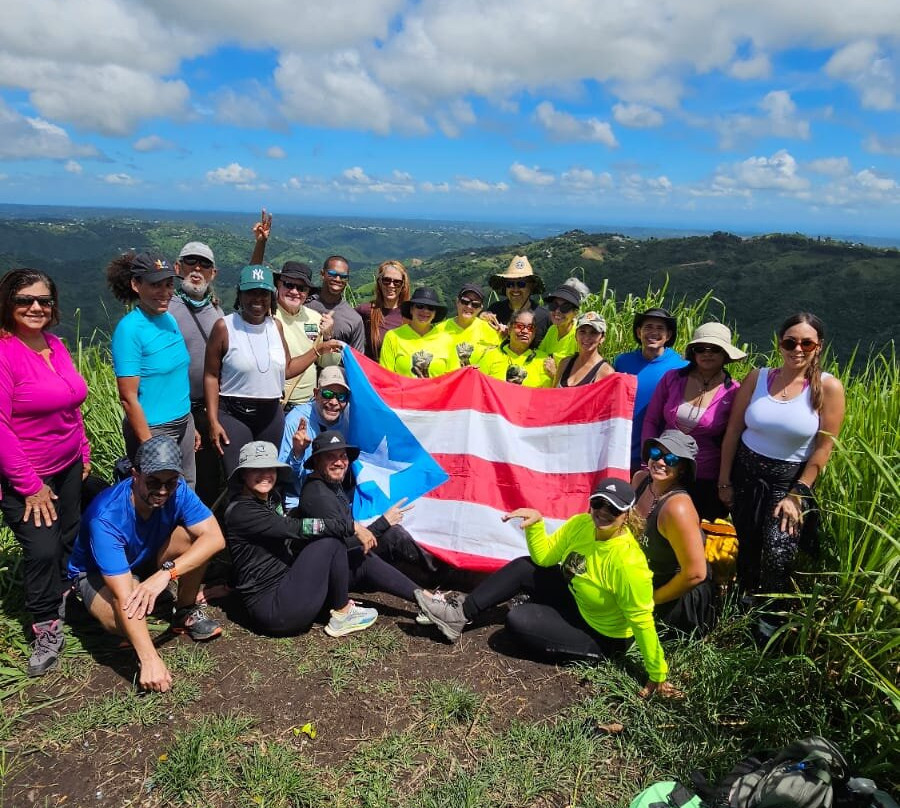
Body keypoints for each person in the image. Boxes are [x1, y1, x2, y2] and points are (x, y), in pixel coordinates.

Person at [414, 478, 679, 698]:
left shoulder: (628, 563)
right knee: (524, 567)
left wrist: (658, 673)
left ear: (627, 515)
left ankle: (568, 636)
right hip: (577, 598)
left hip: (602, 633)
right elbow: (544, 559)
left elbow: (642, 620)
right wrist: (537, 525)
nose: (602, 512)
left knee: (518, 620)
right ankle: (459, 614)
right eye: (598, 503)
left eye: (614, 508)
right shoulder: (582, 524)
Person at [67, 436, 225, 693]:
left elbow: (215, 538)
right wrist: (150, 659)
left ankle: (184, 609)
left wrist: (166, 574)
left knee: (195, 540)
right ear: (135, 475)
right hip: (96, 574)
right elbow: (123, 595)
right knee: (121, 616)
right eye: (153, 482)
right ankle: (99, 610)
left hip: (146, 556)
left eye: (170, 482)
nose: (162, 491)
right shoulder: (106, 517)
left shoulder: (179, 490)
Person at [718, 313, 845, 616]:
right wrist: (724, 480)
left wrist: (798, 494)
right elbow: (733, 430)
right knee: (746, 544)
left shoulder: (828, 387)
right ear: (780, 344)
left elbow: (824, 446)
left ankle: (772, 619)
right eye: (790, 342)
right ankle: (742, 610)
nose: (797, 349)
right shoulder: (758, 378)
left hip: (788, 482)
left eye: (806, 343)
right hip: (745, 474)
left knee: (778, 554)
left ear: (818, 346)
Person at [0, 269, 90, 676]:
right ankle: (45, 624)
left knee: (69, 535)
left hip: (68, 464)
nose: (36, 307)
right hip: (27, 474)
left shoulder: (54, 344)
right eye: (25, 300)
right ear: (8, 303)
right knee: (42, 549)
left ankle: (65, 596)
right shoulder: (5, 353)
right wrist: (30, 486)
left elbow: (71, 403)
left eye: (44, 300)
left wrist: (83, 450)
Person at [223, 440, 385, 638]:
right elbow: (295, 527)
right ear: (243, 474)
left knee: (352, 554)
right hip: (273, 610)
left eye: (270, 468)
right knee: (331, 542)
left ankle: (418, 595)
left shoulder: (271, 497)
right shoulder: (241, 511)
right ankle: (343, 614)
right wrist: (351, 526)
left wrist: (228, 585)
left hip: (287, 585)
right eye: (257, 469)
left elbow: (244, 553)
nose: (265, 474)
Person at [203, 265, 340, 478]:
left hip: (270, 414)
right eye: (251, 292)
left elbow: (287, 369)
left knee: (268, 476)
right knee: (239, 476)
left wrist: (318, 350)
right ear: (240, 294)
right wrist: (213, 421)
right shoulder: (224, 327)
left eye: (263, 293)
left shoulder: (275, 326)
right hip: (234, 412)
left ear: (271, 296)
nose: (257, 299)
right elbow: (211, 376)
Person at [298, 431, 437, 605]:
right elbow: (340, 548)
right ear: (317, 461)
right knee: (385, 542)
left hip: (342, 559)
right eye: (330, 457)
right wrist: (383, 522)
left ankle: (435, 579)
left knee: (393, 534)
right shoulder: (318, 497)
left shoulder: (331, 482)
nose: (339, 462)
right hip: (329, 574)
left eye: (343, 456)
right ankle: (432, 596)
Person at [107, 251, 197, 487]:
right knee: (159, 495)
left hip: (184, 422)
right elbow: (128, 398)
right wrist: (150, 446)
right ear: (136, 285)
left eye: (168, 284)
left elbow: (176, 375)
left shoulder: (168, 319)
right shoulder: (130, 330)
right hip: (154, 428)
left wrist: (190, 423)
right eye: (156, 285)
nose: (165, 292)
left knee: (187, 489)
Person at [642, 322, 746, 520]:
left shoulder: (733, 392)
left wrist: (724, 482)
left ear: (725, 353)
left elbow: (732, 438)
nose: (707, 354)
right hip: (665, 468)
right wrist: (647, 459)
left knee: (698, 530)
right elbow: (651, 420)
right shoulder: (672, 379)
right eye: (701, 349)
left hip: (705, 476)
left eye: (715, 349)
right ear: (693, 352)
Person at [632, 431, 714, 636]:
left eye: (671, 459)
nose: (660, 461)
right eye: (656, 453)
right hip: (643, 577)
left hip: (674, 595)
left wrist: (652, 600)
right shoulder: (640, 480)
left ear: (682, 468)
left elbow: (695, 573)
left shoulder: (677, 509)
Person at [168, 241, 225, 506]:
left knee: (209, 478)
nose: (197, 268)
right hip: (176, 410)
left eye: (204, 264)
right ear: (177, 268)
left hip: (210, 408)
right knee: (175, 477)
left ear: (213, 273)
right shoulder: (166, 309)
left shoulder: (217, 312)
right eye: (190, 262)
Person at [613, 307, 689, 473]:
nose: (653, 332)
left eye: (660, 328)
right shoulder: (622, 362)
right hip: (620, 451)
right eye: (648, 327)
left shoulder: (681, 368)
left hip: (659, 456)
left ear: (668, 335)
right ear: (638, 332)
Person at [278, 365, 351, 507]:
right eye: (327, 394)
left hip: (340, 498)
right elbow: (283, 477)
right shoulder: (296, 421)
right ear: (316, 393)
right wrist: (297, 453)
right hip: (301, 500)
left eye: (341, 396)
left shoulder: (351, 418)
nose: (334, 402)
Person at [274, 261, 333, 409]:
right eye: (289, 285)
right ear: (278, 285)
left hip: (308, 402)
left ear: (307, 293)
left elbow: (326, 363)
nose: (294, 292)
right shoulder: (268, 316)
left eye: (301, 288)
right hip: (276, 401)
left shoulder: (315, 318)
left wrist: (328, 337)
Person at [379, 287, 454, 378]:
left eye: (430, 308)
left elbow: (453, 377)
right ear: (411, 309)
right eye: (420, 306)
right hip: (402, 388)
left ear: (435, 314)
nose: (425, 311)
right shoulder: (393, 337)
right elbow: (385, 376)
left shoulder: (447, 340)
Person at [482, 255, 550, 344]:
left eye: (521, 284)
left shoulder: (544, 317)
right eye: (510, 284)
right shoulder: (495, 310)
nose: (515, 289)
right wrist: (481, 317)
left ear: (531, 287)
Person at [306, 255, 366, 356]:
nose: (338, 279)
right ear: (322, 274)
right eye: (332, 274)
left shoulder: (354, 319)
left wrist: (328, 337)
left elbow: (356, 359)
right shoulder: (305, 304)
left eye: (343, 277)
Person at [476, 309, 553, 387]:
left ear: (534, 333)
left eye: (530, 327)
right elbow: (478, 385)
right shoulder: (491, 355)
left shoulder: (543, 360)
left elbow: (547, 392)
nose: (525, 331)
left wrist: (554, 375)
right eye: (520, 326)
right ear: (509, 329)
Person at [356, 260, 410, 361]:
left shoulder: (410, 314)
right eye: (386, 280)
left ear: (403, 285)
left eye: (397, 282)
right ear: (379, 282)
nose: (391, 285)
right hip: (372, 369)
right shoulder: (366, 310)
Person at [439, 283, 500, 369]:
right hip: (449, 377)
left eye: (475, 304)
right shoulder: (440, 329)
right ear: (457, 302)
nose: (469, 306)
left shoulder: (489, 331)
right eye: (465, 301)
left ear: (480, 308)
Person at [553, 312, 615, 388]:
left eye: (593, 333)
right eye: (582, 332)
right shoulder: (564, 363)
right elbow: (553, 393)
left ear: (602, 338)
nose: (586, 337)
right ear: (576, 335)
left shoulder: (606, 372)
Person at [538, 282, 585, 378]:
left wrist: (556, 374)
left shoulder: (580, 336)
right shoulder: (553, 329)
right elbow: (540, 354)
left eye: (565, 308)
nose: (557, 311)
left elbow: (582, 378)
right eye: (553, 306)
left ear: (575, 313)